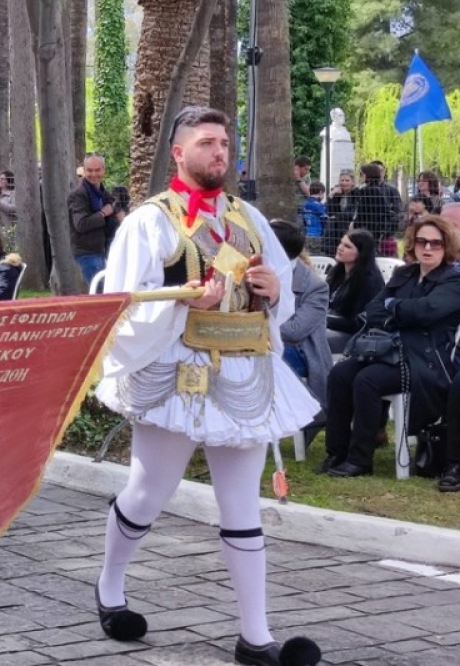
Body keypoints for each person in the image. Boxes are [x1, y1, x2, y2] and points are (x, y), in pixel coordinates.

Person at [93, 107, 321, 666]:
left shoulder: (250, 218)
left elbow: (283, 296)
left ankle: (256, 636)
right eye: (206, 143)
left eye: (224, 143)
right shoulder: (148, 222)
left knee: (241, 502)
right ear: (179, 152)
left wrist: (271, 290)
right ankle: (109, 588)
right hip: (176, 372)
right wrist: (181, 300)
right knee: (148, 494)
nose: (219, 152)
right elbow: (123, 304)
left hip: (244, 373)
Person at [323, 215, 460, 478]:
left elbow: (427, 311)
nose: (428, 248)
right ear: (413, 244)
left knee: (367, 380)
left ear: (447, 246)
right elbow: (373, 309)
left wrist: (393, 308)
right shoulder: (404, 274)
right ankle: (336, 452)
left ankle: (360, 459)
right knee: (340, 374)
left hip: (425, 360)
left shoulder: (453, 280)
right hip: (389, 351)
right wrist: (398, 311)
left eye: (436, 243)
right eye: (422, 242)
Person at [270, 219, 332, 410]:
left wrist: (255, 328)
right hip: (265, 343)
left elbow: (296, 331)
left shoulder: (315, 287)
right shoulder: (257, 271)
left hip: (300, 351)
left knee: (260, 359)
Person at [324, 229, 385, 355]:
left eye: (347, 246)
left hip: (353, 336)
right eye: (341, 243)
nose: (340, 248)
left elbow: (358, 323)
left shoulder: (369, 282)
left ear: (361, 253)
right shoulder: (336, 274)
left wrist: (324, 320)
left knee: (312, 339)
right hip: (329, 326)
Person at [67, 153, 125, 287]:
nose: (94, 174)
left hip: (102, 251)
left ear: (104, 170)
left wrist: (120, 217)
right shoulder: (78, 195)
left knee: (107, 293)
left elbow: (113, 212)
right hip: (87, 254)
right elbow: (81, 224)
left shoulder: (102, 193)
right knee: (100, 295)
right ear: (84, 170)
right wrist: (102, 213)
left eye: (97, 170)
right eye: (90, 170)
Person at [351, 163, 399, 258]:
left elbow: (362, 213)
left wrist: (354, 224)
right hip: (375, 232)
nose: (360, 177)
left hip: (368, 231)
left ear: (368, 175)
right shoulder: (376, 190)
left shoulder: (368, 191)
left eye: (361, 174)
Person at [324, 169, 357, 254]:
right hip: (337, 226)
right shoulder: (337, 193)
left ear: (353, 182)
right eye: (342, 180)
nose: (344, 183)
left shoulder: (356, 193)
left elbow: (353, 212)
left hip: (350, 225)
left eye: (347, 180)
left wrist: (337, 216)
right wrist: (331, 195)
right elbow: (330, 212)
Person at [301, 182, 327, 254]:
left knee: (308, 255)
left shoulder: (305, 204)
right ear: (321, 192)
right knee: (316, 255)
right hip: (317, 235)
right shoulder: (318, 205)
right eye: (323, 194)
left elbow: (303, 219)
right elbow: (324, 218)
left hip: (307, 234)